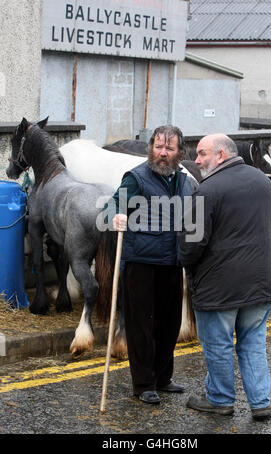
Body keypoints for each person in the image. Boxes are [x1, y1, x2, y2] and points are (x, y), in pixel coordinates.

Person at [178, 133, 271, 420]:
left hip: (219, 286)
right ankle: (260, 402)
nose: (196, 160)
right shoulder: (262, 181)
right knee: (253, 343)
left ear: (221, 154)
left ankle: (220, 399)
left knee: (219, 344)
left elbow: (191, 242)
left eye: (201, 154)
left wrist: (186, 266)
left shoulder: (206, 190)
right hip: (260, 282)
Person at [111, 125, 194, 404]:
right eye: (158, 146)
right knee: (142, 326)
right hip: (141, 263)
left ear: (179, 152)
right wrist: (115, 216)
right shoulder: (136, 178)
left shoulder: (184, 181)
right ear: (151, 148)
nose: (162, 153)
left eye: (169, 148)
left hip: (172, 262)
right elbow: (112, 205)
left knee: (169, 324)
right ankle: (143, 384)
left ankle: (163, 377)